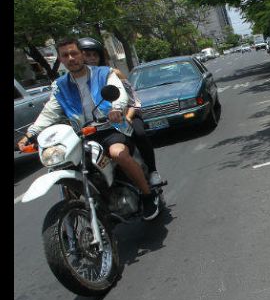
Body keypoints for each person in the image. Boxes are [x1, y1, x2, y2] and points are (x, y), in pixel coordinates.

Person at [17, 37, 159, 220]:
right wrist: (30, 134)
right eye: (65, 55)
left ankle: (148, 195)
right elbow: (49, 113)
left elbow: (119, 93)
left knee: (118, 153)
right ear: (60, 60)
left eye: (74, 53)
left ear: (82, 55)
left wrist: (116, 109)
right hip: (81, 134)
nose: (71, 58)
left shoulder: (104, 73)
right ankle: (73, 216)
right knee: (64, 163)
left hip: (110, 127)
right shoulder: (60, 86)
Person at [77, 37, 162, 187]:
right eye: (86, 55)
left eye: (94, 55)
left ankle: (153, 172)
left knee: (139, 133)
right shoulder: (73, 80)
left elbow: (132, 99)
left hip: (126, 114)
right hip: (93, 126)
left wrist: (127, 116)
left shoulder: (111, 73)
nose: (90, 59)